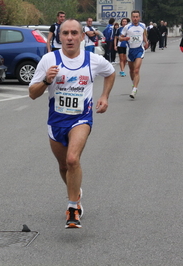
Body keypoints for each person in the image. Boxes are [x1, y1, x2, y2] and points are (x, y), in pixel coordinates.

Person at [29, 19, 115, 229]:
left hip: (81, 118)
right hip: (56, 120)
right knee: (63, 166)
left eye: (74, 33)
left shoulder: (93, 59)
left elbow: (110, 72)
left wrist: (104, 96)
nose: (69, 37)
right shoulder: (49, 60)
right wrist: (47, 81)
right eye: (65, 33)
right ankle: (75, 190)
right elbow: (32, 94)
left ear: (82, 36)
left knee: (72, 159)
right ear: (59, 37)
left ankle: (73, 208)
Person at [120, 10, 149, 99]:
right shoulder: (127, 27)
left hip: (139, 50)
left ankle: (134, 89)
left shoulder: (143, 25)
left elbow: (143, 34)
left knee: (136, 70)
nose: (135, 18)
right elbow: (120, 38)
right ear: (131, 17)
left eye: (137, 17)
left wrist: (146, 42)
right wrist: (125, 39)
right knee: (132, 70)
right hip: (130, 51)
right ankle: (134, 84)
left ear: (139, 17)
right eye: (134, 17)